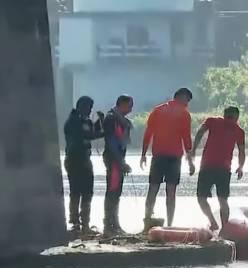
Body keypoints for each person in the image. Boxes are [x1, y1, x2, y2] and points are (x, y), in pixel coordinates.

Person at [140, 88, 195, 231]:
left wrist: (143, 154)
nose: (187, 104)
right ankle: (170, 224)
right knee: (171, 192)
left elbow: (148, 133)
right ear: (181, 98)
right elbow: (187, 139)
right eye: (187, 100)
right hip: (174, 157)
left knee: (153, 188)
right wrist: (190, 162)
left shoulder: (157, 110)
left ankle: (147, 219)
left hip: (158, 156)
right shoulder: (184, 114)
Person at [189, 106, 245, 231]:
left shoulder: (212, 121)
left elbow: (199, 133)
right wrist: (240, 167)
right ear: (237, 117)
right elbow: (242, 151)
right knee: (223, 200)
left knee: (201, 198)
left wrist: (193, 149)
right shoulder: (238, 130)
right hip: (224, 169)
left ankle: (213, 222)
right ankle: (224, 228)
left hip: (208, 166)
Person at [63, 96, 104, 233]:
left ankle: (84, 222)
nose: (90, 110)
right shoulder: (73, 120)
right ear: (81, 106)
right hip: (75, 160)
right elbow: (87, 135)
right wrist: (104, 133)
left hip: (84, 160)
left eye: (91, 108)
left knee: (87, 192)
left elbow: (91, 130)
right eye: (88, 107)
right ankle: (76, 223)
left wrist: (100, 121)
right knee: (76, 191)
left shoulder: (84, 120)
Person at [102, 94, 134, 237]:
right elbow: (112, 143)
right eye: (130, 105)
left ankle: (115, 224)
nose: (131, 109)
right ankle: (109, 226)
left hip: (118, 159)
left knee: (117, 193)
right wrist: (121, 162)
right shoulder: (111, 119)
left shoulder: (122, 120)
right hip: (113, 160)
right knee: (112, 192)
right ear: (121, 104)